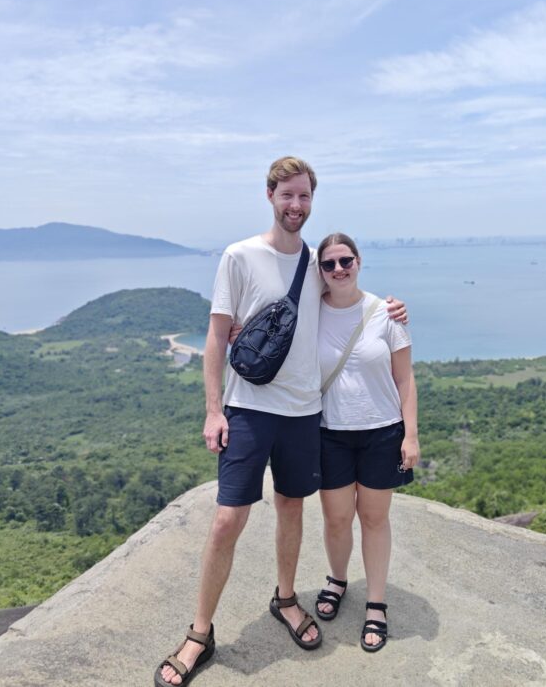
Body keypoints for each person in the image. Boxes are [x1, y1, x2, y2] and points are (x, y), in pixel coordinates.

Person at [155, 158, 406, 686]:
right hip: (248, 407)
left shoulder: (317, 263)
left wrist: (391, 308)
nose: (296, 206)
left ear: (312, 201)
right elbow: (217, 337)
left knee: (292, 507)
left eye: (304, 197)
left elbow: (346, 297)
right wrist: (213, 409)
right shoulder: (241, 256)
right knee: (228, 518)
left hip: (303, 413)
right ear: (269, 194)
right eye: (287, 195)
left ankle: (286, 599)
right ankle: (200, 633)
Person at [312, 232, 419, 653]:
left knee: (375, 519)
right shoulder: (310, 315)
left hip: (381, 431)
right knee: (337, 518)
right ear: (319, 271)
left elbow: (405, 379)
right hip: (329, 433)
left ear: (358, 262)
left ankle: (376, 604)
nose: (339, 269)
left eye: (346, 260)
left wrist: (410, 436)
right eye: (329, 264)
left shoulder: (386, 314)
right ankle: (337, 581)